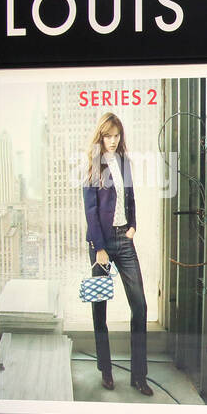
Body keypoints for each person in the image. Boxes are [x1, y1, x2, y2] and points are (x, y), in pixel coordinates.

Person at [82, 112, 152, 396]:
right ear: (101, 137)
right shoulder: (92, 166)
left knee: (140, 306)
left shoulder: (124, 163)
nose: (112, 141)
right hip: (100, 243)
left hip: (124, 239)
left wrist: (133, 225)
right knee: (100, 308)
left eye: (116, 135)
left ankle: (139, 376)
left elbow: (130, 196)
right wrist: (99, 247)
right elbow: (90, 210)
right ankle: (106, 371)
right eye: (107, 136)